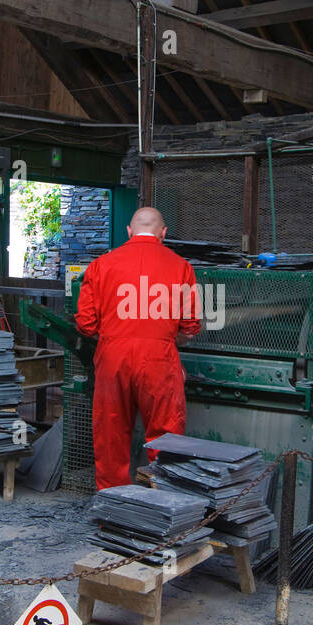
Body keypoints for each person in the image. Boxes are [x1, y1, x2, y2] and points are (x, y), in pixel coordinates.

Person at [75, 207, 200, 489]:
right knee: (165, 434)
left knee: (111, 432)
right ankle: (163, 507)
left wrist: (113, 334)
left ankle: (112, 510)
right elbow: (190, 325)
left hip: (112, 358)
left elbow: (85, 323)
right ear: (164, 233)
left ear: (128, 231)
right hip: (159, 359)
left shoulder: (100, 265)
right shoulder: (181, 266)